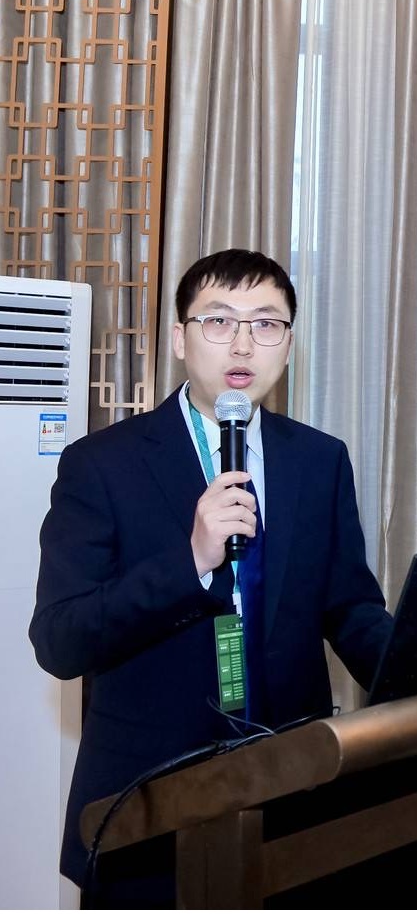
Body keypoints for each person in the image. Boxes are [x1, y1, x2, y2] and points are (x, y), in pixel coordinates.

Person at [30, 248, 393, 906]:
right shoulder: (102, 464)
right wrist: (191, 560)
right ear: (179, 339)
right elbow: (61, 639)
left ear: (289, 343)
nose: (243, 344)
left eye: (267, 323)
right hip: (148, 799)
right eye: (219, 320)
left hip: (292, 788)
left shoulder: (319, 459)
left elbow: (349, 608)